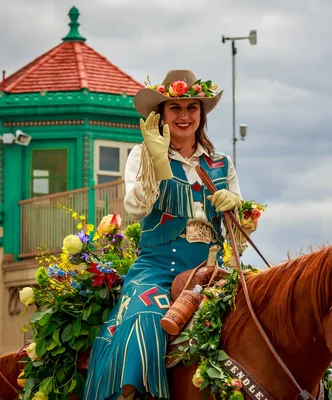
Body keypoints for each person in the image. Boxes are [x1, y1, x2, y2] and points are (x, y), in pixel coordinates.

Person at [84, 69, 244, 400]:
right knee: (145, 317)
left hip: (211, 272)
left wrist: (235, 209)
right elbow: (136, 209)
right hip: (157, 271)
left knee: (271, 312)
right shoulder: (141, 156)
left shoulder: (221, 164)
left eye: (192, 108)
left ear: (201, 114)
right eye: (176, 108)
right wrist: (157, 165)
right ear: (162, 115)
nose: (185, 116)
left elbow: (238, 237)